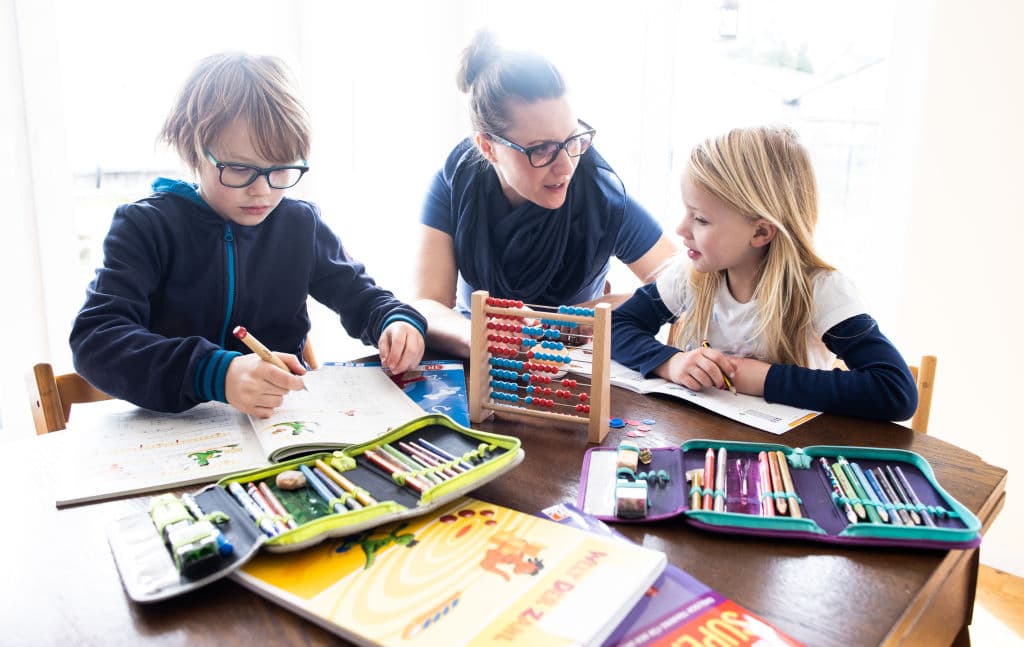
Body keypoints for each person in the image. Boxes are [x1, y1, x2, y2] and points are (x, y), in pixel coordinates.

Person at [70, 52, 426, 418]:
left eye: (281, 170)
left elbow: (361, 297)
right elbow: (95, 340)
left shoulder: (299, 224)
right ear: (194, 149)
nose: (263, 191)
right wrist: (215, 373)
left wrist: (394, 321)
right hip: (179, 431)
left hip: (280, 427)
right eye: (240, 169)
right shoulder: (145, 227)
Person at [611, 125, 917, 421]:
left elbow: (895, 390)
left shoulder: (819, 290)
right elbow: (618, 326)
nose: (680, 229)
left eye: (701, 219)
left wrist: (761, 378)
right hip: (705, 443)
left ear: (760, 232)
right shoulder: (692, 276)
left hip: (792, 458)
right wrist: (672, 362)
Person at [414, 29, 677, 356]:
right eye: (541, 149)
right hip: (480, 365)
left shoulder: (599, 196)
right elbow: (428, 305)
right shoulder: (456, 183)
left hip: (572, 371)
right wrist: (481, 337)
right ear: (488, 147)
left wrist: (590, 312)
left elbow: (685, 288)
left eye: (572, 139)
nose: (566, 166)